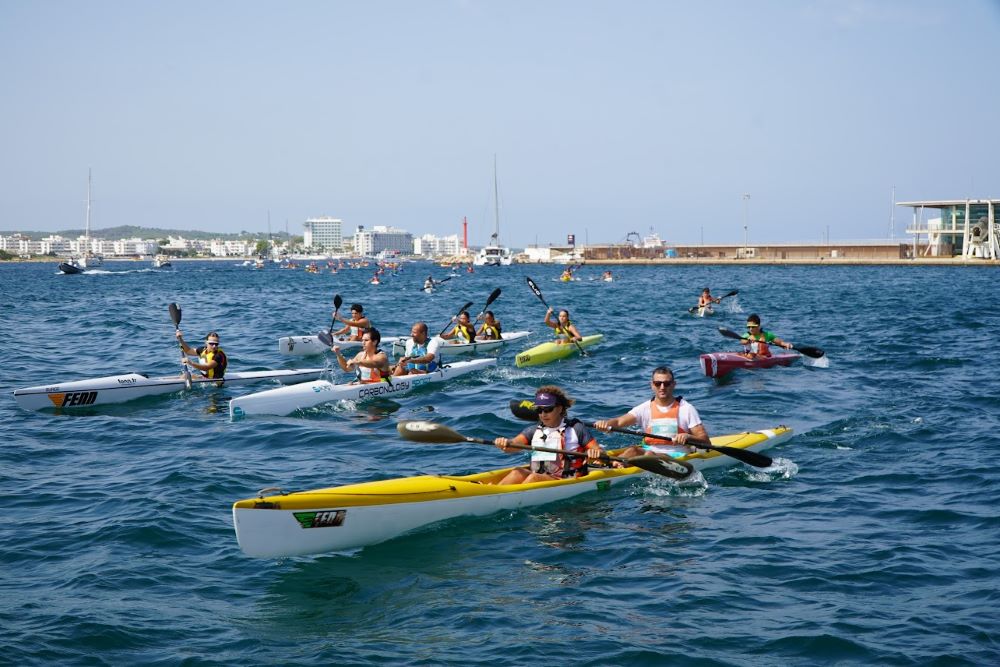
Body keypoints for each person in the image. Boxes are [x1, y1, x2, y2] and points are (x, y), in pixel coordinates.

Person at [493, 386, 605, 485]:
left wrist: (595, 453)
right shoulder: (533, 431)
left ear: (560, 408)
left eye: (548, 409)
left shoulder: (576, 429)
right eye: (539, 410)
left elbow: (601, 454)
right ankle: (493, 492)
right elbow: (513, 445)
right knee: (517, 472)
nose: (543, 414)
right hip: (541, 477)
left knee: (534, 477)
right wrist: (505, 443)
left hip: (566, 480)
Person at [593, 366, 709, 459]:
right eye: (658, 383)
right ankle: (613, 465)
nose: (662, 387)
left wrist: (688, 437)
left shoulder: (686, 409)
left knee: (649, 455)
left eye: (667, 383)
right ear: (652, 385)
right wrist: (606, 424)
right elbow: (618, 422)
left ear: (674, 384)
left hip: (676, 456)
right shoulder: (644, 408)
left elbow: (706, 442)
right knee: (632, 450)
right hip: (648, 453)